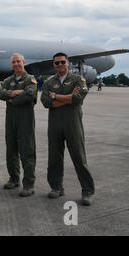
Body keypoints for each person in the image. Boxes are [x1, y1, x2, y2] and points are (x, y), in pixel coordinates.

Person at [41, 52, 95, 206]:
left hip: (73, 124)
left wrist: (55, 97)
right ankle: (56, 187)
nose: (59, 65)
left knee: (79, 157)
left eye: (62, 62)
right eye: (56, 63)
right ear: (53, 65)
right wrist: (67, 98)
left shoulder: (78, 79)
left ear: (68, 62)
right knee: (54, 158)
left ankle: (87, 191)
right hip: (55, 124)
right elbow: (45, 102)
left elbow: (78, 98)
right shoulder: (49, 82)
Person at [0, 53, 37, 197]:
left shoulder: (30, 79)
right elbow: (0, 94)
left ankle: (29, 184)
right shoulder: (8, 80)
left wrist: (12, 99)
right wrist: (14, 92)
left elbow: (30, 94)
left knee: (27, 151)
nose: (16, 64)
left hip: (25, 119)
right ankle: (14, 179)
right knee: (11, 149)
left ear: (23, 62)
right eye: (13, 62)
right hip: (11, 119)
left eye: (18, 61)